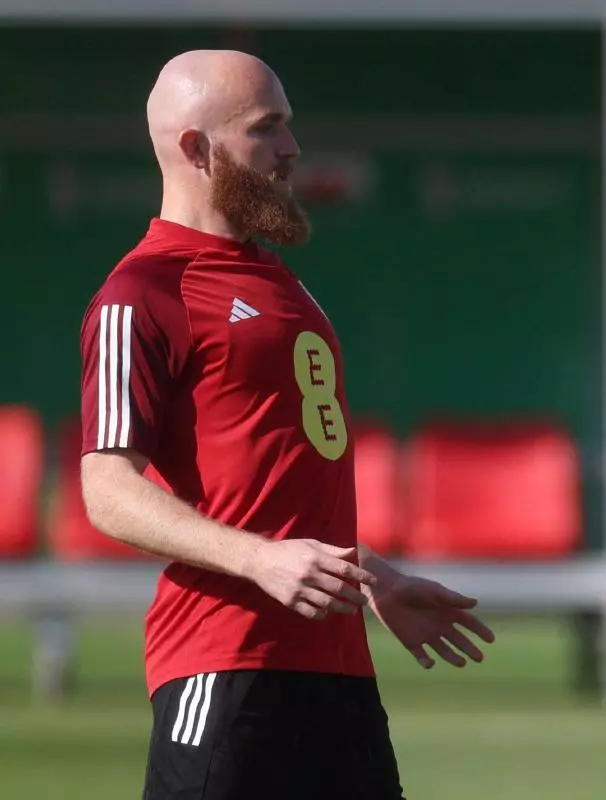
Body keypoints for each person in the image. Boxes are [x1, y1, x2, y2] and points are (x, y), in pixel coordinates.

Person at [78, 50, 494, 800]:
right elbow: (107, 488)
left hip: (336, 673)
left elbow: (273, 497)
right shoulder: (140, 292)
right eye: (266, 130)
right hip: (223, 663)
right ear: (196, 149)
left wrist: (373, 579)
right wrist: (259, 561)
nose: (292, 149)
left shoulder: (281, 283)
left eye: (290, 127)